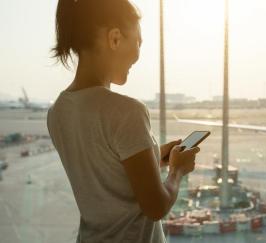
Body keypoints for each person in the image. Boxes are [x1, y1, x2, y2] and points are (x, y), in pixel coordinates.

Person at [47, 0, 200, 242]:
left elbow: (105, 167)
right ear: (115, 39)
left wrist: (153, 156)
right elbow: (156, 207)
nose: (138, 54)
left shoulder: (57, 112)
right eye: (138, 42)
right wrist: (177, 170)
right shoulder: (127, 112)